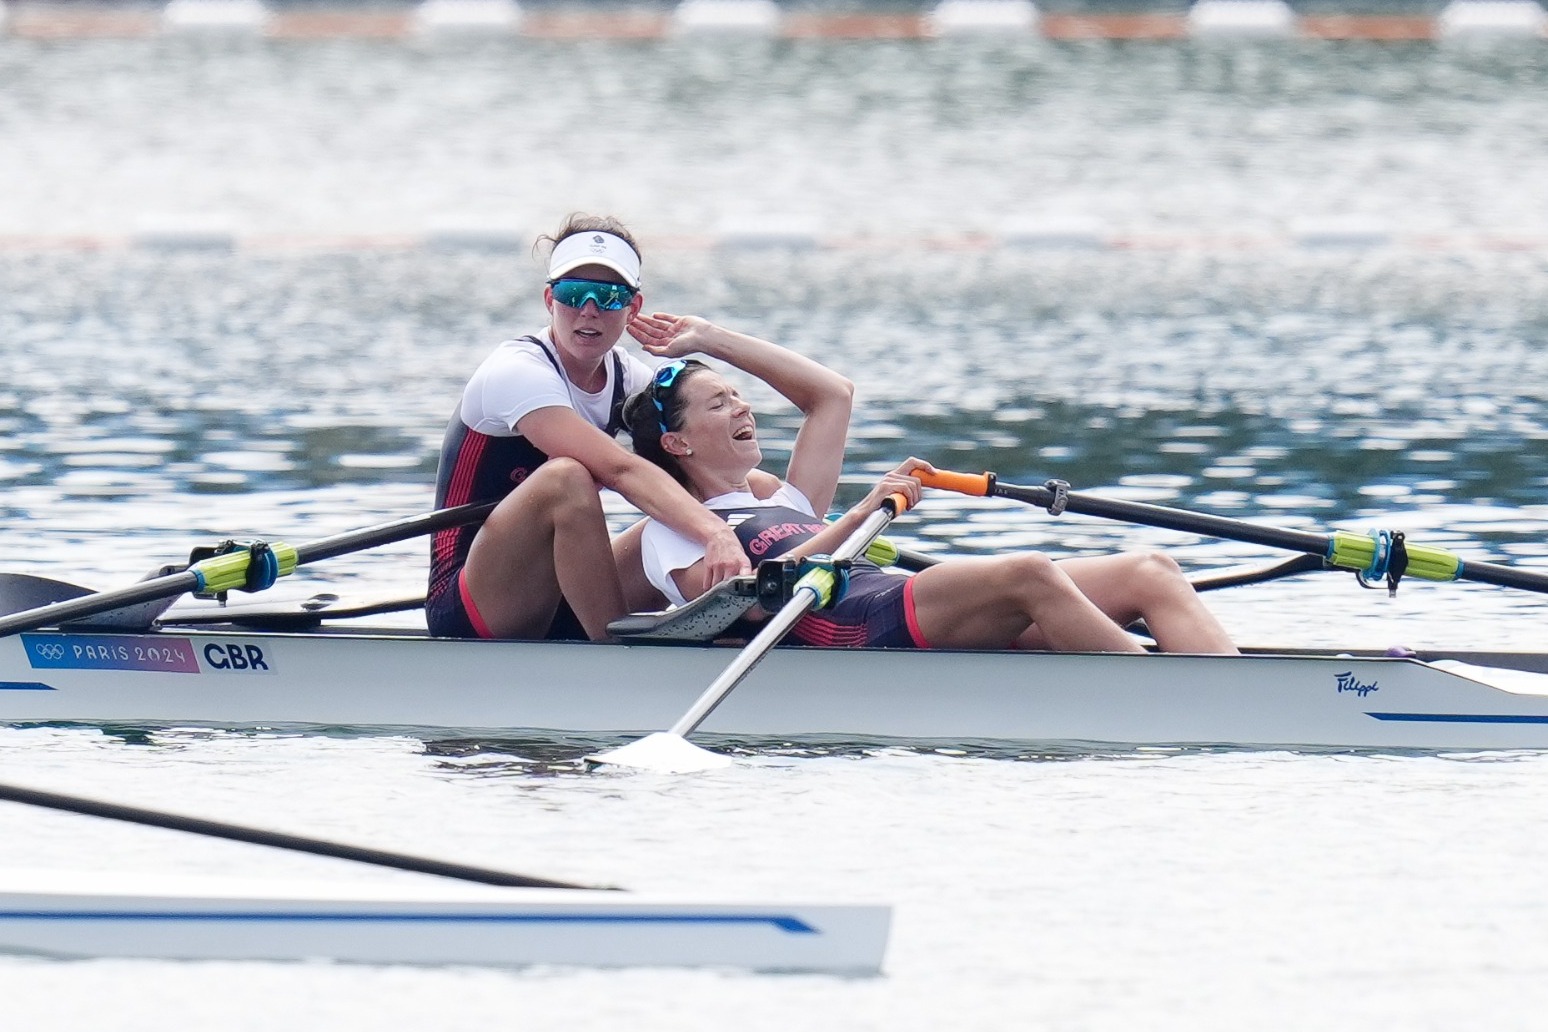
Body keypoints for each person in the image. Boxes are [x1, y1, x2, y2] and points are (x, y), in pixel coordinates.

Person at [620, 312, 1240, 655]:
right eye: (719, 405)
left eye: (738, 396)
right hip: (853, 624)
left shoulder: (784, 499)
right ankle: (1168, 691)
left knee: (1150, 568)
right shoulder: (670, 531)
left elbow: (832, 395)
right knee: (1027, 572)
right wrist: (863, 512)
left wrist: (710, 339)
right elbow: (742, 605)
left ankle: (1233, 687)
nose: (743, 409)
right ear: (676, 443)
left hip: (902, 597)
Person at [427, 215, 748, 641]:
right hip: (471, 602)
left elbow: (700, 456)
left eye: (610, 296)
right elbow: (620, 471)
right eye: (574, 293)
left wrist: (710, 339)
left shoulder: (629, 378)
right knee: (567, 477)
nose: (589, 310)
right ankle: (612, 653)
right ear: (549, 300)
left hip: (560, 593)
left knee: (731, 485)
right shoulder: (516, 372)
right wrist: (714, 532)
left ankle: (755, 615)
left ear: (633, 308)